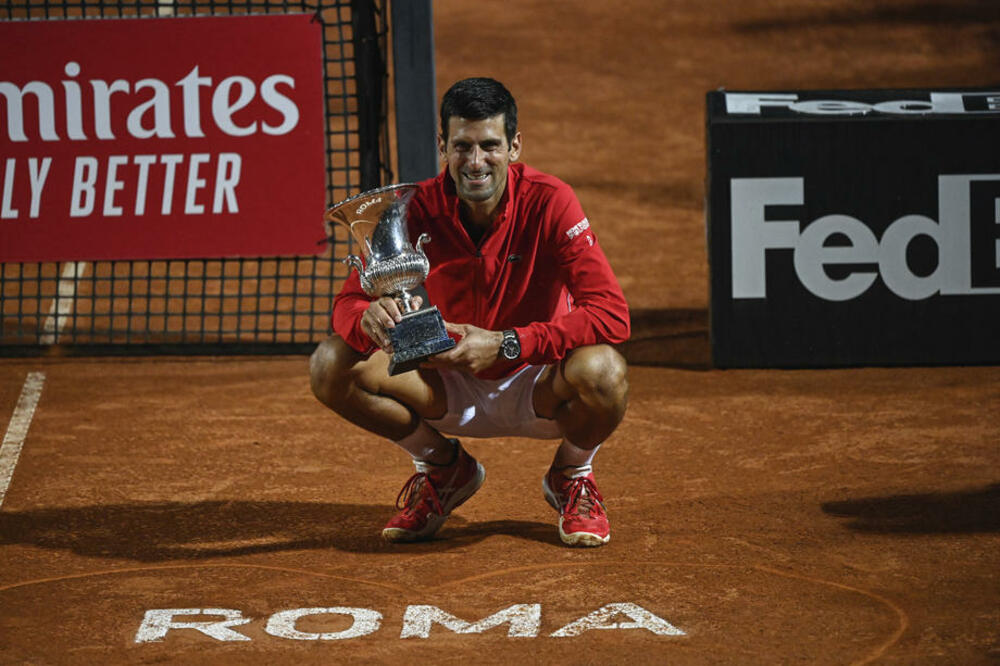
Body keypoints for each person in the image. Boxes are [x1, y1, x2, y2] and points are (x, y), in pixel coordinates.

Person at [310, 77, 630, 547]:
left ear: (514, 146)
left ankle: (572, 474)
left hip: (535, 380)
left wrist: (510, 342)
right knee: (329, 365)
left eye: (489, 145)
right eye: (462, 146)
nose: (475, 162)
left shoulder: (551, 200)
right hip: (443, 383)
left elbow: (612, 314)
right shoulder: (410, 209)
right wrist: (363, 318)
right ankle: (442, 467)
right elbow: (347, 303)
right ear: (443, 145)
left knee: (604, 370)